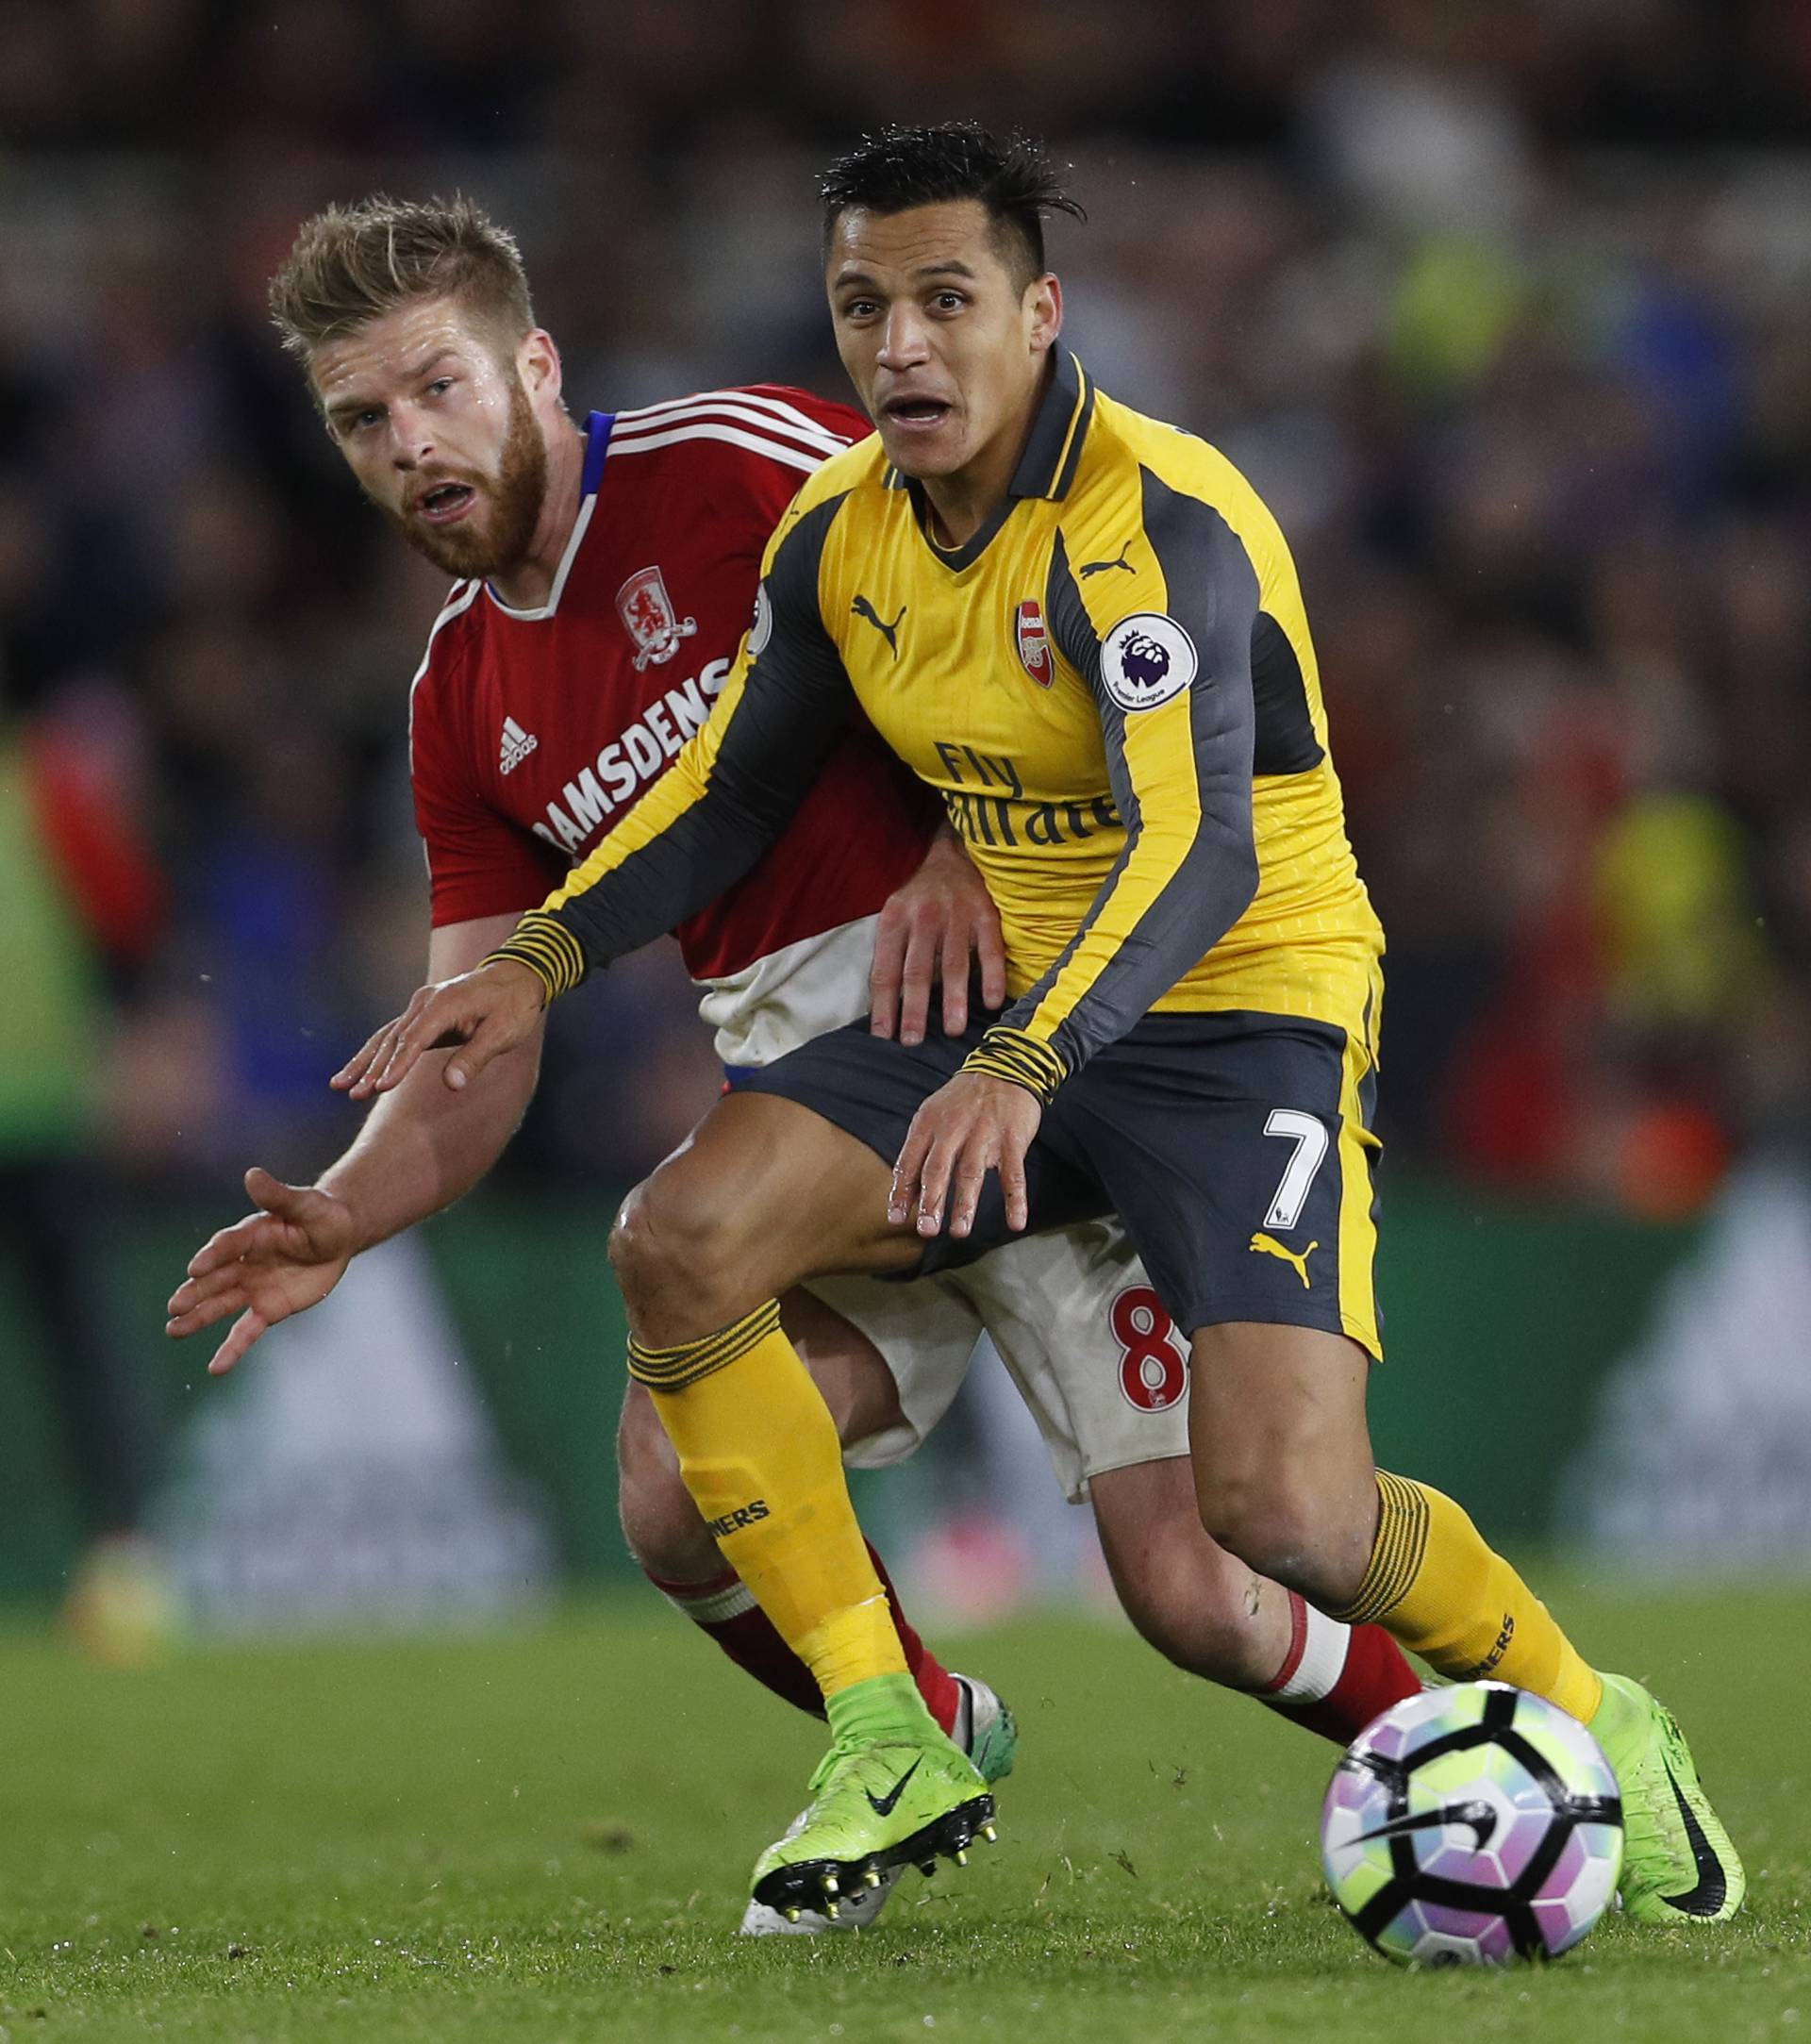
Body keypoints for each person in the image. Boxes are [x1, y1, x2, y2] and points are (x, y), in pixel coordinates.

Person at [345, 125, 1745, 1932]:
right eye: (866, 307)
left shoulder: (1158, 523)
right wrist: (538, 954)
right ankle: (889, 1725)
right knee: (677, 1244)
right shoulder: (841, 540)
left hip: (1234, 1010)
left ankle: (1598, 1720)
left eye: (946, 302)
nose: (903, 349)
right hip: (1012, 1003)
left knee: (1285, 1524)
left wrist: (1019, 1067)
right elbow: (729, 793)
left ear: (1039, 312)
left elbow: (1201, 846)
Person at [164, 194, 1421, 1934]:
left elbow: (1006, 583)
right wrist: (348, 1210)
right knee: (675, 1500)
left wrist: (974, 851)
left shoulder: (744, 462)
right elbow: (477, 1031)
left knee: (1204, 1588)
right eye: (362, 423)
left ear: (532, 363)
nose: (410, 448)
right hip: (814, 1108)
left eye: (437, 389)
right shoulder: (461, 697)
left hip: (1025, 1047)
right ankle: (909, 1722)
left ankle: (1467, 1743)